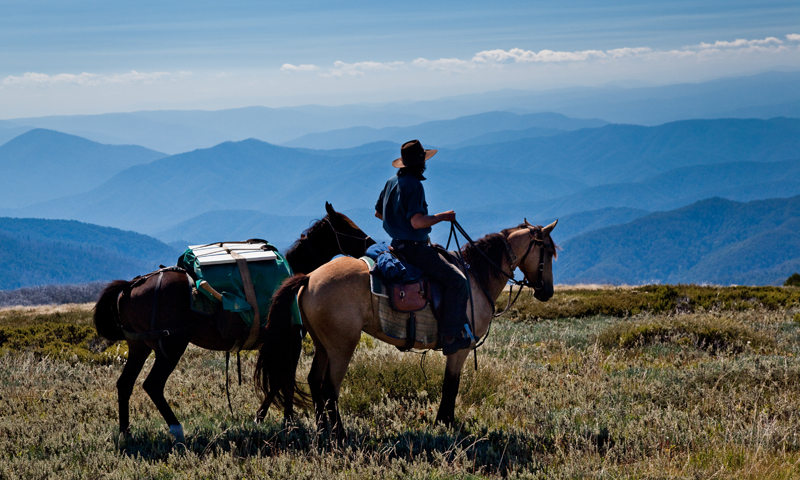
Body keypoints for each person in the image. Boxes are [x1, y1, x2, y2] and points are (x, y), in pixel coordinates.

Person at [375, 139, 473, 355]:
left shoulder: (391, 182)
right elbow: (417, 222)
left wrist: (395, 221)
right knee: (458, 280)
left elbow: (378, 213)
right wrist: (443, 217)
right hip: (414, 249)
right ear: (421, 163)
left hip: (395, 246)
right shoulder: (415, 185)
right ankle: (451, 336)